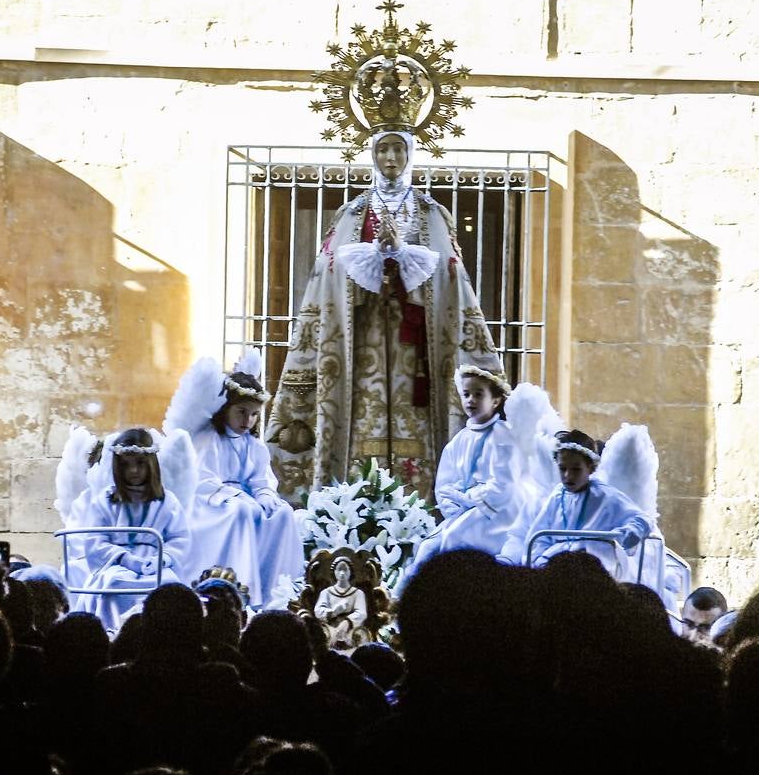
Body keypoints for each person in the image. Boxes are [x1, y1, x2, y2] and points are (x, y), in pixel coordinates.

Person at [264, 129, 504, 502]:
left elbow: (450, 281)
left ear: (410, 154)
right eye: (382, 149)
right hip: (360, 348)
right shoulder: (350, 214)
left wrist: (405, 263)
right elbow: (327, 279)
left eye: (397, 149)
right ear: (371, 155)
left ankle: (428, 506)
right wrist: (370, 266)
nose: (390, 158)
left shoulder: (432, 214)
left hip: (417, 357)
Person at [187, 371, 303, 610]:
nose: (247, 420)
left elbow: (261, 480)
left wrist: (266, 496)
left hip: (244, 501)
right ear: (226, 409)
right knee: (242, 512)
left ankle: (277, 589)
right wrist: (240, 497)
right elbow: (205, 482)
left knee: (282, 513)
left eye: (253, 414)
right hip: (213, 506)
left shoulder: (254, 446)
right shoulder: (211, 441)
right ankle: (243, 588)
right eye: (241, 412)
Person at [401, 365, 518, 584]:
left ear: (495, 401)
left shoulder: (503, 436)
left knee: (454, 540)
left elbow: (503, 485)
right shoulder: (460, 440)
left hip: (495, 515)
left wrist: (467, 499)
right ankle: (405, 600)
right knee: (427, 546)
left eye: (478, 394)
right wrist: (453, 506)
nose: (470, 400)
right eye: (466, 394)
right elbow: (445, 484)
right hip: (463, 514)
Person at [69, 427, 191, 629]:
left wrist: (162, 558)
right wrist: (125, 559)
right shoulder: (106, 501)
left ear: (151, 464)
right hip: (116, 565)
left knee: (167, 589)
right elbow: (95, 541)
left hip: (156, 566)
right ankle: (114, 633)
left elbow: (179, 538)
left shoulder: (167, 501)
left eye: (140, 464)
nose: (133, 471)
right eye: (126, 465)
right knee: (113, 586)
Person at [524, 429, 652, 578]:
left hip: (594, 568)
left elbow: (642, 520)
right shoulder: (557, 497)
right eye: (562, 468)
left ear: (590, 468)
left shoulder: (605, 496)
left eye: (576, 469)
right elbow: (539, 537)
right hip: (558, 567)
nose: (567, 475)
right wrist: (539, 563)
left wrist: (623, 535)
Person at [313, 555, 369, 649]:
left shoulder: (358, 593)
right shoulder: (326, 592)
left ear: (351, 572)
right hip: (330, 627)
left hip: (351, 630)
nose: (342, 573)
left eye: (345, 570)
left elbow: (361, 613)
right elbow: (318, 610)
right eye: (339, 569)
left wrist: (347, 622)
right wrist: (334, 611)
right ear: (334, 572)